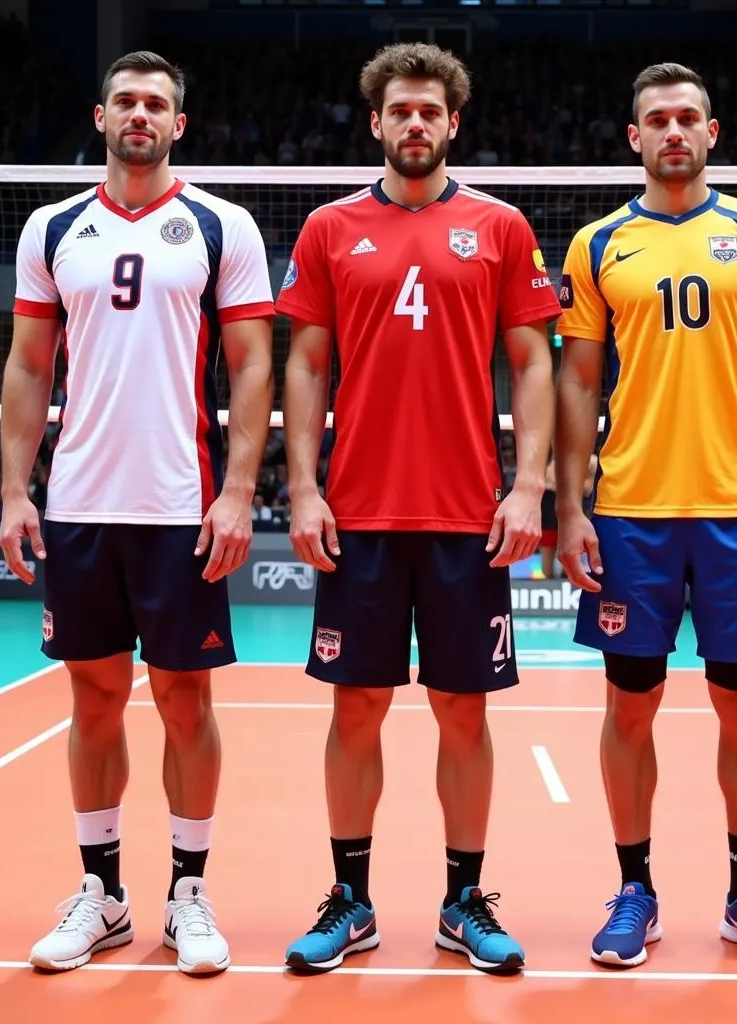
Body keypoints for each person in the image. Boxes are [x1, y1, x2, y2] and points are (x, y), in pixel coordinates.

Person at [275, 41, 562, 974]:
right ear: (376, 121)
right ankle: (351, 899)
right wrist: (305, 486)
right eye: (399, 110)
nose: (414, 124)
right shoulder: (327, 228)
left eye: (429, 111)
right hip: (357, 510)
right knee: (356, 708)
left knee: (463, 713)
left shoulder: (501, 226)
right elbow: (307, 365)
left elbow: (531, 362)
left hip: (463, 514)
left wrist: (528, 483)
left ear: (453, 123)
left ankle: (462, 900)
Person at [554, 62, 737, 971]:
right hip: (632, 511)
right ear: (632, 139)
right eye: (657, 120)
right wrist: (569, 504)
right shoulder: (597, 245)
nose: (673, 132)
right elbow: (575, 382)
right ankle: (635, 888)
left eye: (688, 118)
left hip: (736, 508)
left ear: (712, 134)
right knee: (628, 706)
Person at [0, 50, 275, 975]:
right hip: (79, 502)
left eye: (157, 103)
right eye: (126, 101)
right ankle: (102, 893)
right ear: (101, 116)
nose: (140, 115)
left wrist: (238, 491)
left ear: (179, 124)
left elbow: (250, 368)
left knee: (185, 701)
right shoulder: (52, 226)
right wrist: (11, 490)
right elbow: (31, 366)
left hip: (178, 503)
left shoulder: (218, 224)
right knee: (94, 697)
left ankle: (189, 891)